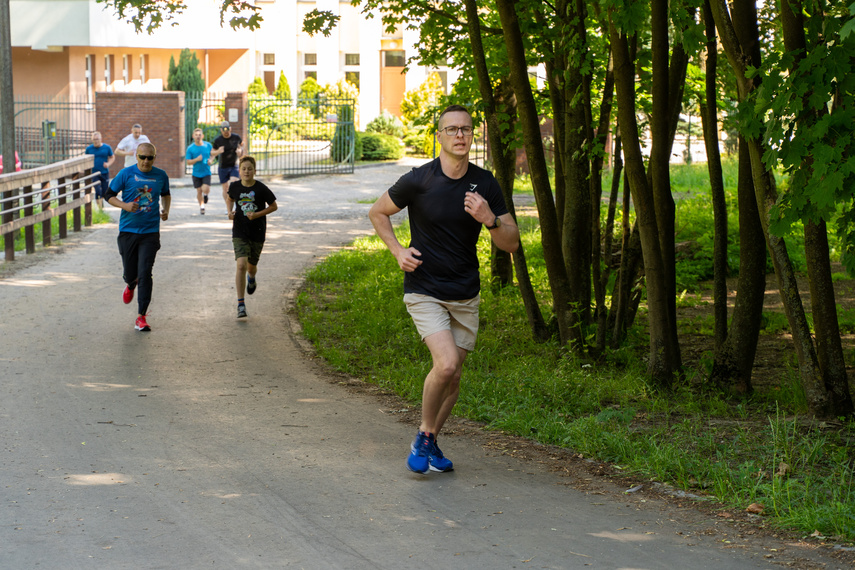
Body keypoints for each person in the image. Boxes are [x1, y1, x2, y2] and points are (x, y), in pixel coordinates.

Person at [368, 104, 520, 474]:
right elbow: (377, 211)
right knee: (446, 363)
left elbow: (512, 243)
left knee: (454, 376)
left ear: (473, 134)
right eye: (451, 129)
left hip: (465, 292)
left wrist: (491, 219)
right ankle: (423, 434)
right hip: (424, 288)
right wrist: (397, 251)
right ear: (439, 136)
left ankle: (432, 441)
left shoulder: (486, 184)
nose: (460, 136)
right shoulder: (420, 179)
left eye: (466, 129)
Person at [104, 142, 171, 332]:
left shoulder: (161, 175)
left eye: (150, 158)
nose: (146, 161)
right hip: (128, 231)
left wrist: (166, 210)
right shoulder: (126, 174)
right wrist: (125, 205)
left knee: (145, 273)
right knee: (131, 273)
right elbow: (108, 195)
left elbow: (166, 194)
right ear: (137, 157)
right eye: (142, 157)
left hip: (150, 232)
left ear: (154, 158)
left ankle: (141, 316)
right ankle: (129, 283)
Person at [227, 155, 277, 319]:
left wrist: (257, 215)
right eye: (244, 168)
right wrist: (230, 211)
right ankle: (241, 304)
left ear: (254, 171)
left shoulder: (261, 188)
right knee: (241, 265)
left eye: (250, 169)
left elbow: (274, 206)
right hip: (240, 231)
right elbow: (230, 198)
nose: (247, 171)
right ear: (240, 171)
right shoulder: (234, 186)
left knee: (250, 266)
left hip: (257, 231)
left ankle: (252, 277)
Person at [211, 121, 244, 215]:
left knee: (233, 183)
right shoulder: (218, 140)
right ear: (221, 130)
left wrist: (240, 151)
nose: (226, 131)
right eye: (224, 129)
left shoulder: (236, 137)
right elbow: (212, 152)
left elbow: (242, 144)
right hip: (223, 167)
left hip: (234, 165)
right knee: (225, 188)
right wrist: (218, 151)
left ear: (230, 128)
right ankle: (228, 207)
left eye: (227, 129)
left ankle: (237, 204)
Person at [185, 128, 213, 215]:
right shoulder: (190, 148)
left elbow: (213, 154)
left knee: (205, 188)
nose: (198, 136)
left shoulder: (208, 145)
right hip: (196, 173)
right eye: (196, 135)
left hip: (206, 172)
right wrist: (197, 159)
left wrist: (211, 160)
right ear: (193, 136)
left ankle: (206, 195)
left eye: (199, 135)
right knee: (199, 191)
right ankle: (202, 206)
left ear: (202, 136)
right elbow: (188, 162)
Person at [84, 131, 114, 209]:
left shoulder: (107, 147)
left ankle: (101, 205)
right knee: (98, 191)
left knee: (104, 192)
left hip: (104, 172)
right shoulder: (89, 149)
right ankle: (100, 209)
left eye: (97, 139)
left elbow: (112, 157)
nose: (96, 141)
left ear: (101, 139)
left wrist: (108, 164)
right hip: (94, 173)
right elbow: (85, 159)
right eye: (94, 139)